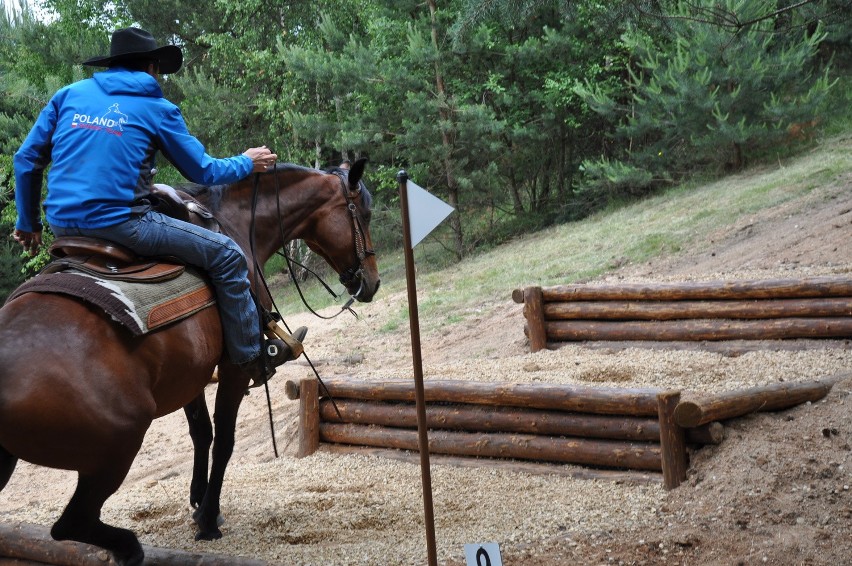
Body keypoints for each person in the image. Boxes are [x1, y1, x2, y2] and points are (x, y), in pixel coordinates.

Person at [12, 26, 305, 386]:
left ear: (113, 65)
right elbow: (203, 170)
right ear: (151, 67)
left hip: (61, 224)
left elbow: (26, 160)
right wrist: (246, 161)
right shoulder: (157, 108)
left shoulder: (68, 95)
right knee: (227, 254)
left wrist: (29, 224)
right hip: (123, 224)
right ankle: (251, 357)